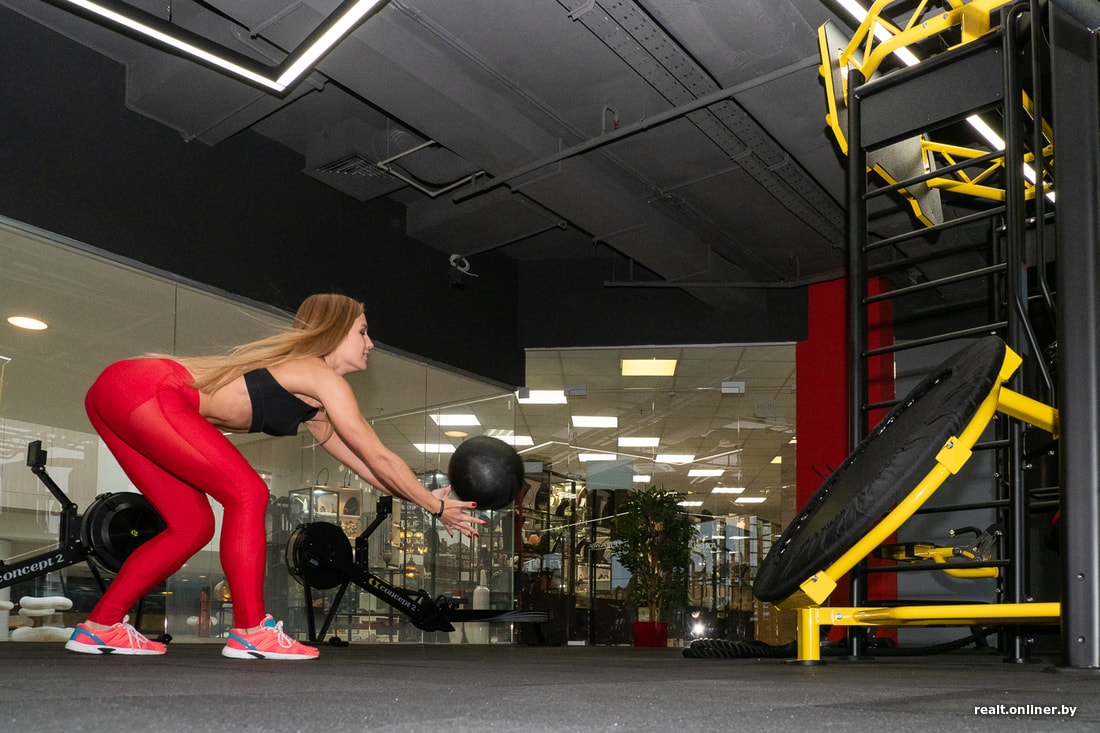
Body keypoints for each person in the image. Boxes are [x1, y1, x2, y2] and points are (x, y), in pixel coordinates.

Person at [66, 293, 485, 659]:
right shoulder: (320, 376)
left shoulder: (315, 404)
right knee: (248, 492)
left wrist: (425, 498)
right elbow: (378, 453)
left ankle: (101, 625)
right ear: (335, 331)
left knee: (192, 526)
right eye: (362, 331)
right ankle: (251, 631)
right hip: (147, 389)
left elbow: (369, 466)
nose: (370, 343)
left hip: (116, 393)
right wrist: (436, 508)